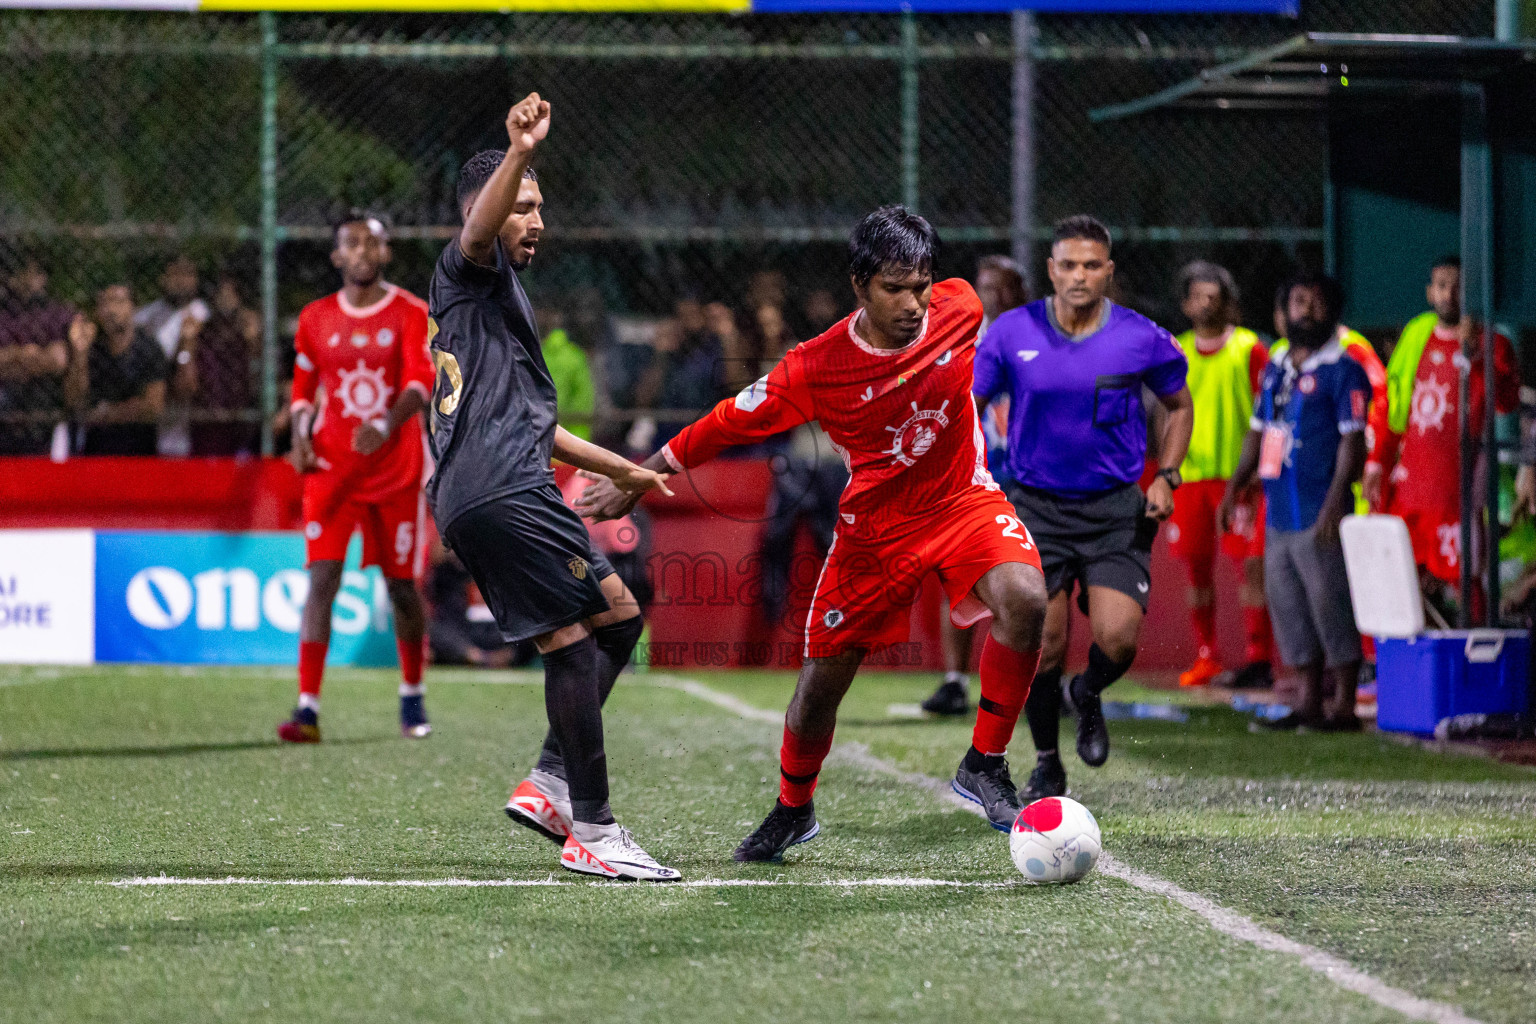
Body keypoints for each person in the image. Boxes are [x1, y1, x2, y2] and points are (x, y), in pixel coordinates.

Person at [582, 205, 1049, 855]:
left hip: (962, 502)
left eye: (922, 284)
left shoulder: (961, 306)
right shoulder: (816, 366)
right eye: (895, 288)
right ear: (860, 285)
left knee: (1027, 600)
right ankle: (794, 807)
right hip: (874, 532)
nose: (915, 303)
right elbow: (727, 421)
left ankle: (985, 763)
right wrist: (641, 472)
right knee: (818, 688)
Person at [426, 95, 678, 881]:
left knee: (618, 619)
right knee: (572, 647)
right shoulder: (468, 265)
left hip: (496, 484)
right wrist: (518, 154)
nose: (537, 218)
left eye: (539, 205)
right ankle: (595, 833)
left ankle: (550, 783)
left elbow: (540, 424)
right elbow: (478, 224)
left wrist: (623, 469)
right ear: (489, 208)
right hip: (501, 489)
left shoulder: (495, 304)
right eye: (525, 205)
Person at [975, 215, 1193, 801]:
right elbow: (967, 406)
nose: (1079, 276)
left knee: (1118, 639)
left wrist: (1167, 475)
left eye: (1091, 265)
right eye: (1068, 265)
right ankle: (1047, 759)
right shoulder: (1008, 333)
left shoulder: (1141, 336)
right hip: (1034, 510)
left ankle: (1089, 691)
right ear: (1050, 270)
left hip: (1115, 511)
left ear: (1108, 271)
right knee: (1042, 642)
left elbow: (1179, 405)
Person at [275, 211, 436, 745]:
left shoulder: (412, 311)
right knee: (322, 580)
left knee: (401, 589)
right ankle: (307, 708)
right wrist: (299, 434)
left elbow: (420, 383)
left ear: (386, 252)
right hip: (330, 470)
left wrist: (385, 425)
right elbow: (302, 389)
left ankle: (412, 693)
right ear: (336, 256)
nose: (362, 251)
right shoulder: (314, 317)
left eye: (372, 242)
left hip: (394, 470)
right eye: (352, 243)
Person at [1220, 272, 1370, 731]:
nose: (1306, 310)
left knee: (1330, 601)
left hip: (1319, 508)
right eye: (1298, 301)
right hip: (1278, 507)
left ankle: (1343, 705)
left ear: (1333, 310)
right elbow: (1259, 430)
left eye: (1316, 302)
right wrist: (1235, 485)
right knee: (1287, 602)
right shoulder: (1277, 366)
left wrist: (1335, 502)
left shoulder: (1345, 370)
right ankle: (1306, 701)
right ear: (1284, 310)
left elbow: (1353, 442)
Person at [1370, 256, 1519, 607]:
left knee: (1466, 587)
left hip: (1457, 493)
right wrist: (1377, 462)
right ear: (1428, 292)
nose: (1449, 294)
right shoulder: (1415, 334)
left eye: (1459, 286)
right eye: (1441, 285)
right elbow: (1393, 404)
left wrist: (1478, 354)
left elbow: (1506, 404)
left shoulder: (1493, 342)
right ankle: (1395, 660)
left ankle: (1472, 658)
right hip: (1408, 491)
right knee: (1398, 585)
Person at [922, 253, 1029, 716]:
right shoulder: (962, 338)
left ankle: (1037, 683)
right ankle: (954, 680)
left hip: (1027, 473)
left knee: (1034, 581)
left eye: (1001, 287)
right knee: (959, 577)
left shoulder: (1036, 338)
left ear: (1018, 292)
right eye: (984, 286)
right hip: (972, 472)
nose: (991, 296)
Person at [1165, 261, 1273, 689]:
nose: (1207, 303)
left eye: (1216, 296)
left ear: (1228, 302)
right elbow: (1164, 411)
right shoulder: (1176, 349)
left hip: (1238, 480)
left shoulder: (1250, 348)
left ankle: (1258, 657)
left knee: (1250, 569)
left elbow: (1268, 413)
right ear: (1186, 304)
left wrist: (1257, 471)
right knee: (1196, 572)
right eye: (1199, 296)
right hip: (1190, 480)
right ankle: (1206, 655)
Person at [63, 284, 170, 456]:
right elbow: (74, 400)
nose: (111, 310)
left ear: (133, 307)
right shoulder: (92, 348)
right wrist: (80, 354)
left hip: (140, 449)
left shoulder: (149, 348)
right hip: (96, 449)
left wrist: (106, 413)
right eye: (104, 303)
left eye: (119, 302)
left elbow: (153, 407)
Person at [176, 274, 260, 456]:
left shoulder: (246, 336)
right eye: (221, 295)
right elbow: (186, 383)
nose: (225, 300)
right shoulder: (202, 335)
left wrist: (254, 342)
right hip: (207, 422)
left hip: (241, 421)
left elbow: (259, 380)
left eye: (231, 295)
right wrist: (186, 344)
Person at [136, 255, 210, 457]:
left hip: (193, 406)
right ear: (163, 278)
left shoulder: (204, 314)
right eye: (175, 273)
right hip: (156, 396)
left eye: (187, 274)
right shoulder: (146, 316)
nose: (181, 280)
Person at [0, 259, 72, 455]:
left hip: (44, 398)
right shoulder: (4, 312)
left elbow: (58, 361)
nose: (28, 280)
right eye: (22, 273)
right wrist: (23, 354)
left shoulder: (56, 312)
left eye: (35, 274)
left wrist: (12, 360)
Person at [539, 308, 596, 441]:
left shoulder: (533, 352)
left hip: (543, 447)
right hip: (566, 447)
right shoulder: (575, 356)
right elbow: (584, 407)